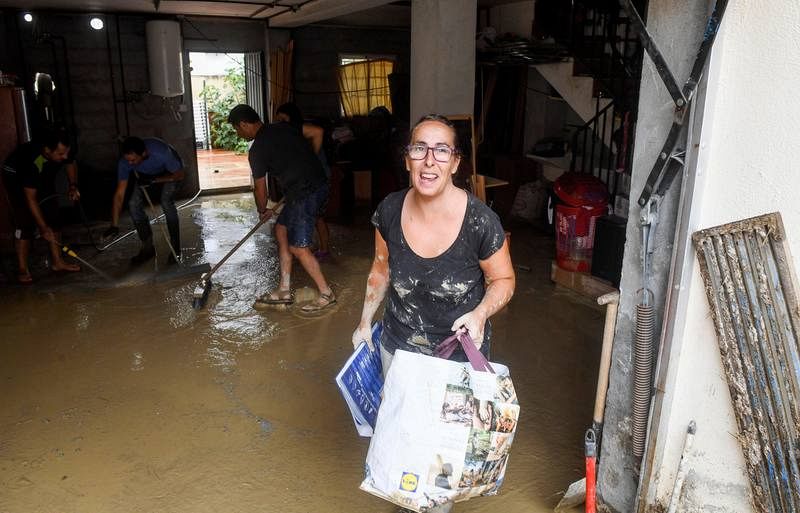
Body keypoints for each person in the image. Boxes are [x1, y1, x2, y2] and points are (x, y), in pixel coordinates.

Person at [351, 114, 515, 513]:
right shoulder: (390, 210)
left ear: (456, 163)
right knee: (403, 439)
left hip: (455, 359)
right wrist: (363, 322)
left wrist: (479, 315)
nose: (429, 160)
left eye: (441, 150)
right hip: (398, 349)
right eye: (419, 148)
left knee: (443, 458)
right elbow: (380, 267)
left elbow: (505, 280)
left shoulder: (480, 221)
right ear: (406, 158)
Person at [227, 104, 336, 312]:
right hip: (311, 186)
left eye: (237, 129)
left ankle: (326, 293)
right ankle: (284, 290)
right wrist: (305, 163)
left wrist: (262, 211)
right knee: (280, 230)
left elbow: (261, 189)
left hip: (307, 192)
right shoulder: (283, 127)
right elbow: (314, 134)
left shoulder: (257, 149)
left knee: (298, 246)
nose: (238, 134)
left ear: (243, 124)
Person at [1, 128, 81, 283]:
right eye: (60, 154)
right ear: (47, 150)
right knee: (24, 222)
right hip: (16, 177)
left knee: (54, 216)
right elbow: (31, 198)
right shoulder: (32, 162)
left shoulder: (64, 149)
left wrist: (73, 186)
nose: (64, 156)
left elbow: (70, 162)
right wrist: (43, 228)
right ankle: (22, 268)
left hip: (43, 174)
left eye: (66, 152)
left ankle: (58, 262)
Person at [105, 136, 185, 264]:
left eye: (133, 160)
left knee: (166, 201)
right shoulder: (125, 162)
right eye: (128, 160)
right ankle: (147, 248)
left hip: (171, 172)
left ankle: (176, 248)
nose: (129, 163)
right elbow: (119, 194)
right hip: (146, 174)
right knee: (133, 204)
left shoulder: (161, 153)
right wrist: (114, 225)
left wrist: (154, 180)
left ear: (144, 153)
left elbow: (179, 174)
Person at [275, 102, 331, 260]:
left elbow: (319, 131)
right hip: (306, 181)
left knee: (317, 217)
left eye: (283, 119)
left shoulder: (299, 129)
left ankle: (324, 249)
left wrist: (311, 158)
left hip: (319, 180)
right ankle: (309, 246)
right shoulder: (290, 135)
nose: (281, 123)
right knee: (308, 215)